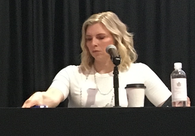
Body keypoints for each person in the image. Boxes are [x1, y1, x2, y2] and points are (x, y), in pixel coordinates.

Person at [22, 11, 173, 108]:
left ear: (117, 39)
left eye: (101, 37)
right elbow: (53, 95)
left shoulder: (139, 71)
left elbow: (169, 106)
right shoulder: (72, 74)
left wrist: (180, 103)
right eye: (88, 39)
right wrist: (41, 97)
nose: (93, 44)